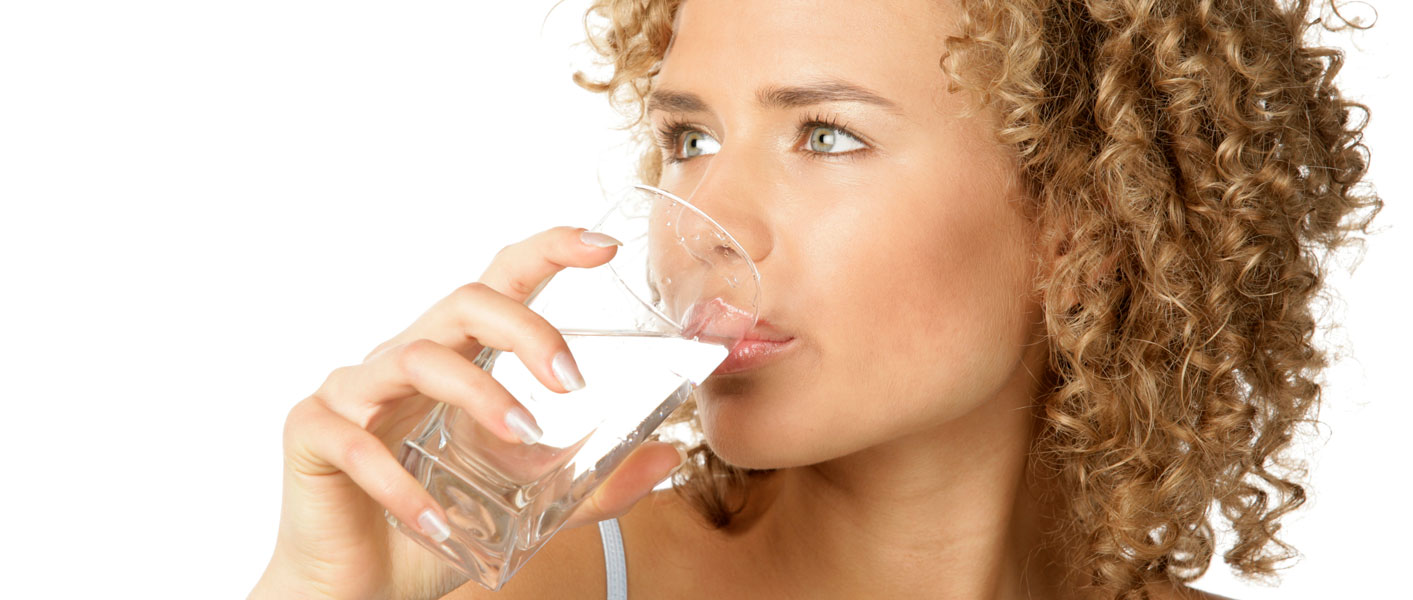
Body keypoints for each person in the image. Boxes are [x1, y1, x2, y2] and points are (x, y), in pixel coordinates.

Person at [249, 0, 1381, 598]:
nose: (713, 226)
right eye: (689, 137)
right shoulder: (543, 591)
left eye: (826, 135)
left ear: (1085, 226)